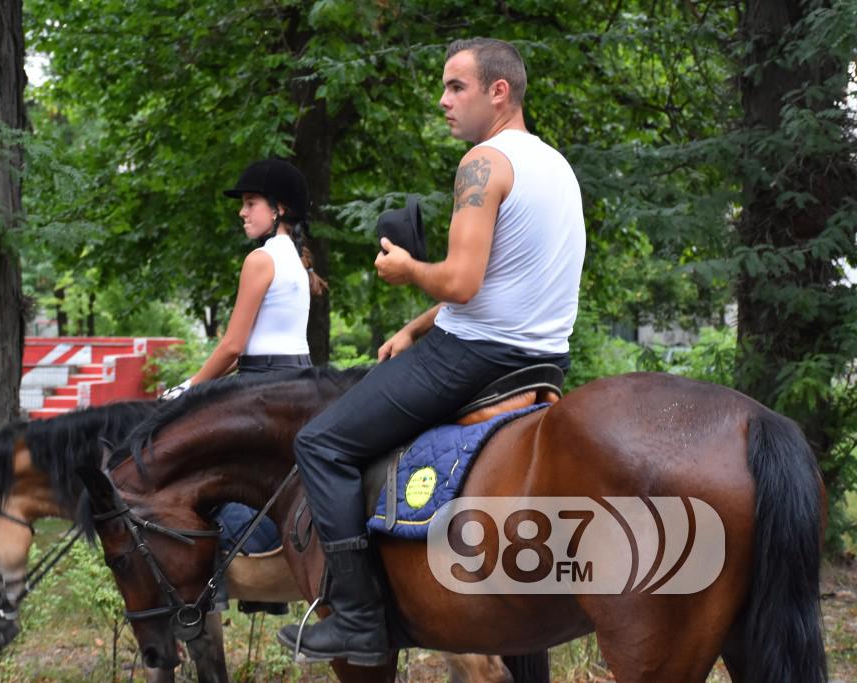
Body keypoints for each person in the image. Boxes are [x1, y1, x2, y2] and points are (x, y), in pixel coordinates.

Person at [277, 38, 586, 665]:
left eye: (456, 87)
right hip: (544, 362)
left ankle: (359, 619)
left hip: (472, 358)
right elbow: (504, 280)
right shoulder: (553, 165)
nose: (443, 101)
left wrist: (407, 269)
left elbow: (463, 282)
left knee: (320, 443)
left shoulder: (482, 163)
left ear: (499, 92)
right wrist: (417, 325)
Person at [165, 158, 326, 613]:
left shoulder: (260, 260)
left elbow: (234, 345)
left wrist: (189, 388)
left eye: (250, 203)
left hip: (261, 389)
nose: (242, 212)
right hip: (296, 384)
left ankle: (208, 582)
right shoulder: (295, 259)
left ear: (277, 209)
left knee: (196, 471)